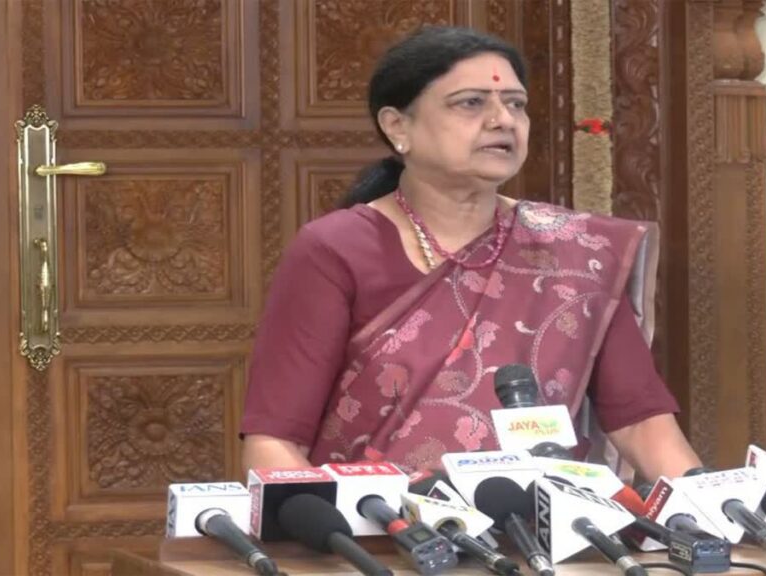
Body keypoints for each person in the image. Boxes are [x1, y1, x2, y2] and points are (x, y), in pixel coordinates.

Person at [240, 25, 701, 481]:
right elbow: (275, 443)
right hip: (380, 524)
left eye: (515, 104)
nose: (503, 120)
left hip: (542, 521)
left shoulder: (577, 252)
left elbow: (642, 424)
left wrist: (712, 510)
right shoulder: (335, 249)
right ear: (397, 126)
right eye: (471, 103)